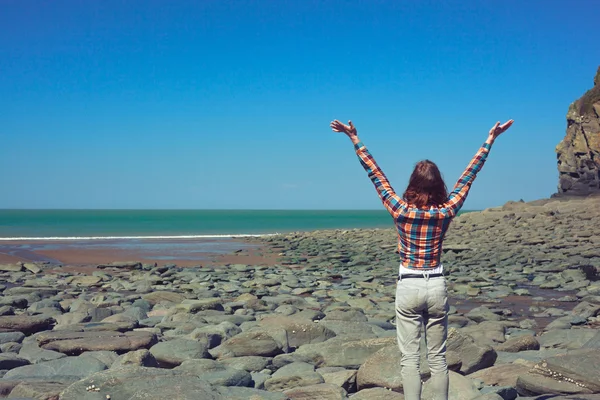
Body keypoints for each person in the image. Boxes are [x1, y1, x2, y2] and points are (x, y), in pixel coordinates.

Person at [330, 118, 514, 400]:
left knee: (410, 360)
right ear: (439, 184)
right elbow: (469, 176)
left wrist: (354, 138)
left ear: (413, 184)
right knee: (438, 359)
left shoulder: (400, 210)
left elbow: (375, 174)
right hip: (436, 285)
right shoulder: (446, 211)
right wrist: (490, 140)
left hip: (408, 285)